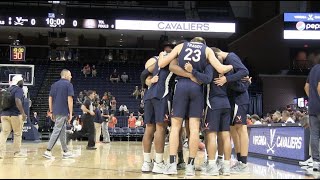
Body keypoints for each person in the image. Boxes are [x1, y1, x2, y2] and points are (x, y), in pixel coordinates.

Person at [158, 37, 233, 176]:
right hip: (197, 88)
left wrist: (163, 56)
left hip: (181, 86)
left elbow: (165, 64)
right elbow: (220, 68)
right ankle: (190, 166)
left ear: (192, 41)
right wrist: (232, 65)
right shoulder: (207, 50)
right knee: (194, 129)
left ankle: (172, 164)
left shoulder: (181, 46)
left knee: (175, 127)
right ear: (203, 44)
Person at [211, 47, 250, 174]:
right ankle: (239, 161)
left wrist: (227, 79)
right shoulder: (227, 60)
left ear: (217, 54)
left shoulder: (231, 57)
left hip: (240, 99)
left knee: (241, 129)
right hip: (233, 98)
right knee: (233, 130)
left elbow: (244, 71)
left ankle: (243, 163)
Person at [43, 69, 74, 159]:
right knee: (57, 130)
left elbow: (50, 98)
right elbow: (70, 99)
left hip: (56, 111)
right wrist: (71, 113)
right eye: (70, 75)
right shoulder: (69, 85)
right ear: (65, 75)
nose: (71, 77)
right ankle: (48, 151)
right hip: (63, 111)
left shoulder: (54, 85)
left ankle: (65, 151)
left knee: (62, 131)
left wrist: (51, 111)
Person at [0, 75, 27, 159]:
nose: (23, 82)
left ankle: (1, 153)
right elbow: (17, 100)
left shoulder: (7, 89)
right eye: (22, 81)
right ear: (19, 82)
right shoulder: (18, 89)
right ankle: (17, 153)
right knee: (17, 133)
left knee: (4, 134)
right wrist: (23, 113)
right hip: (15, 114)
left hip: (4, 115)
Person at [304, 50, 320, 171]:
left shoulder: (314, 69)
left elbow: (306, 87)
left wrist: (312, 98)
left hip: (312, 107)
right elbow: (319, 87)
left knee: (314, 134)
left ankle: (316, 162)